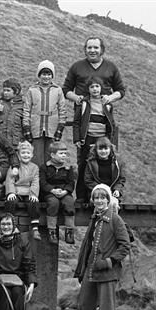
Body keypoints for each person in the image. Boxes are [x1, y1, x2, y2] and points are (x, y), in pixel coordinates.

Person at [62, 37, 126, 202]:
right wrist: (77, 99)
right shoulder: (77, 66)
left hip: (103, 120)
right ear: (85, 49)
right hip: (84, 120)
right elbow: (66, 89)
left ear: (101, 49)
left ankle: (108, 196)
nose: (92, 50)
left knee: (105, 161)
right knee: (84, 161)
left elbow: (120, 90)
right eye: (89, 47)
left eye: (95, 47)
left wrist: (110, 98)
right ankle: (82, 197)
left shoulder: (111, 67)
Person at [73, 184, 130, 310]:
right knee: (85, 304)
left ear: (108, 199)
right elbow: (87, 247)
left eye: (102, 197)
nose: (99, 200)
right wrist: (81, 269)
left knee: (106, 309)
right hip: (91, 270)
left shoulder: (115, 219)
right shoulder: (95, 217)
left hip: (107, 271)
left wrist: (109, 262)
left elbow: (125, 246)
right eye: (96, 197)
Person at [74, 76, 119, 202]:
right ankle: (81, 196)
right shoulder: (84, 103)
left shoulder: (107, 104)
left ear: (101, 88)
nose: (95, 89)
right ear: (88, 89)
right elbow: (77, 122)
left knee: (99, 165)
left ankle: (102, 194)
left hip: (102, 138)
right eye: (92, 87)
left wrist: (111, 141)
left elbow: (111, 123)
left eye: (97, 86)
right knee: (83, 165)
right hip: (87, 138)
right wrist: (77, 138)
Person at [23, 60, 67, 168]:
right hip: (36, 127)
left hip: (52, 128)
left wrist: (60, 127)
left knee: (51, 156)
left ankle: (49, 180)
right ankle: (36, 181)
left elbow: (62, 109)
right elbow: (26, 109)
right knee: (36, 157)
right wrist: (26, 126)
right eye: (43, 74)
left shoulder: (57, 90)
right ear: (39, 75)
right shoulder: (32, 90)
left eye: (48, 74)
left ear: (52, 76)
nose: (46, 77)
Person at [40, 141, 77, 245]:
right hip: (50, 192)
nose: (64, 156)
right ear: (52, 155)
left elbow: (71, 183)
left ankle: (69, 231)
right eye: (61, 153)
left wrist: (65, 191)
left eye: (65, 153)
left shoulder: (68, 168)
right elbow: (43, 182)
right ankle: (51, 231)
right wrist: (52, 190)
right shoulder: (45, 167)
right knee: (53, 203)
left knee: (69, 203)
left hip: (64, 192)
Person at [4, 141, 41, 240]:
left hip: (28, 192)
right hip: (16, 191)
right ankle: (12, 225)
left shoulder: (35, 167)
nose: (26, 155)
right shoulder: (15, 166)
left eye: (28, 153)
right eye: (23, 153)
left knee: (33, 203)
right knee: (11, 202)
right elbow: (10, 180)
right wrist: (11, 192)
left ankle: (35, 228)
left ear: (32, 155)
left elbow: (35, 182)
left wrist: (33, 194)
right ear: (19, 155)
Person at [84, 137, 125, 201]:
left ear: (110, 149)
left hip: (112, 193)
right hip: (96, 193)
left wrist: (117, 190)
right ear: (96, 150)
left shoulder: (117, 163)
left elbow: (121, 179)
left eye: (106, 149)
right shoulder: (90, 163)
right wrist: (102, 190)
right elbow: (88, 180)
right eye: (100, 149)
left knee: (112, 203)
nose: (103, 151)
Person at [0, 78, 24, 150]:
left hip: (16, 142)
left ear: (16, 91)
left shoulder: (22, 105)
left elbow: (25, 123)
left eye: (8, 90)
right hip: (1, 141)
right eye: (4, 90)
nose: (5, 93)